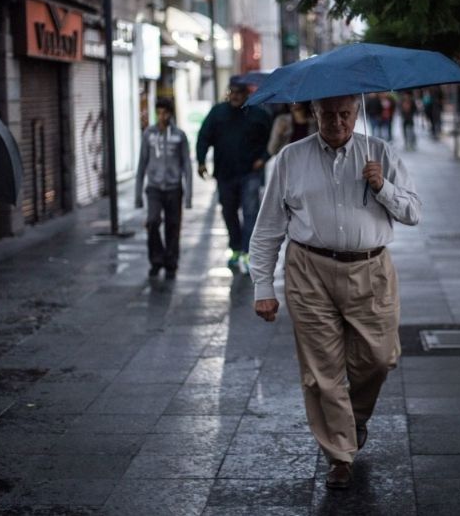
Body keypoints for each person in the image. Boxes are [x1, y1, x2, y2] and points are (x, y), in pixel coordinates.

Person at [248, 94, 421, 490]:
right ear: (314, 114)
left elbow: (413, 212)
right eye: (329, 115)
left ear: (356, 112)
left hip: (371, 269)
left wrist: (382, 186)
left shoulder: (379, 151)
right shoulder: (291, 158)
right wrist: (263, 285)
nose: (338, 123)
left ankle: (352, 418)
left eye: (345, 114)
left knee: (378, 359)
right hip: (309, 270)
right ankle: (340, 455)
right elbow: (268, 226)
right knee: (320, 372)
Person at [196, 75, 272, 272]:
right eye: (232, 92)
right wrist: (201, 160)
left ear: (247, 94)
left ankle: (248, 251)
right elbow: (204, 136)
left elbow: (272, 139)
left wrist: (263, 158)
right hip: (225, 173)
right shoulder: (218, 113)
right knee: (228, 211)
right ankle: (236, 248)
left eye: (239, 93)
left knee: (250, 213)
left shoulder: (258, 114)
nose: (235, 96)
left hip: (250, 173)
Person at [135, 97, 193, 279]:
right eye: (159, 113)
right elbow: (142, 164)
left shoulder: (179, 135)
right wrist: (137, 194)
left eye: (165, 113)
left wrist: (189, 195)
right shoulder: (149, 134)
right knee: (152, 221)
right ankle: (156, 259)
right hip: (154, 187)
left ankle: (171, 262)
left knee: (173, 226)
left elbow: (187, 165)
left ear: (171, 114)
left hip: (174, 188)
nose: (162, 116)